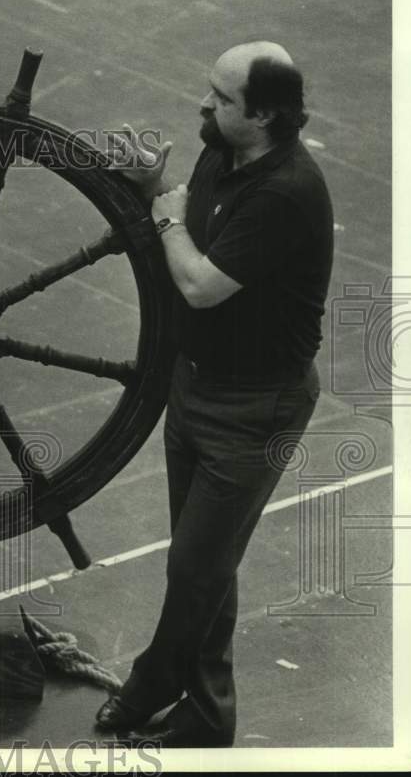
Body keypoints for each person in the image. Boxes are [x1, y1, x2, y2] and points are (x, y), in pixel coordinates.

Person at [94, 41, 333, 746]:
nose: (205, 104)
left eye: (221, 98)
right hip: (195, 392)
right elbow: (192, 233)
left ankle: (157, 683)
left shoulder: (289, 191)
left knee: (196, 564)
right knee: (206, 564)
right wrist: (155, 191)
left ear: (261, 115)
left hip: (256, 410)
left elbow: (199, 283)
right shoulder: (220, 154)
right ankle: (205, 710)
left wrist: (164, 215)